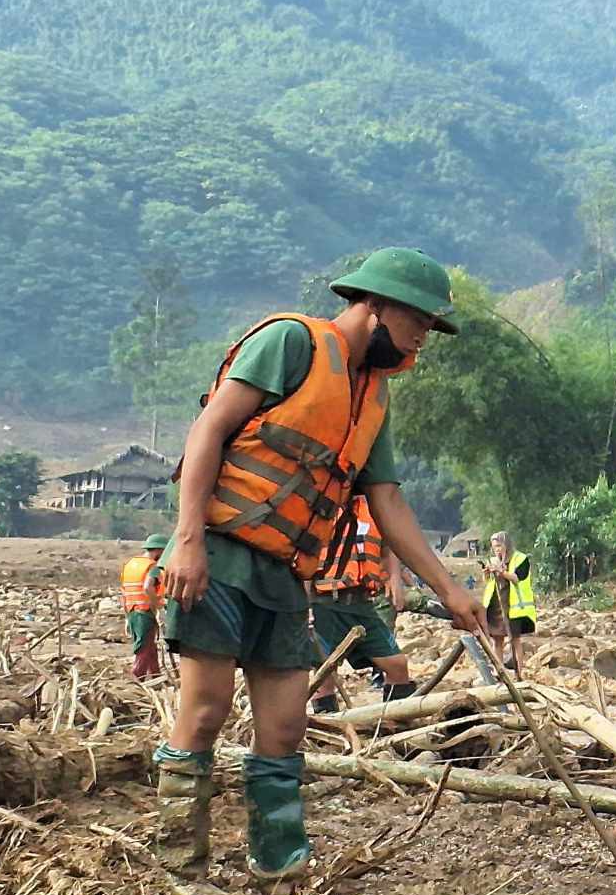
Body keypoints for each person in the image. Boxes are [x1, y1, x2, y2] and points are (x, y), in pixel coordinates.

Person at [153, 248, 485, 884]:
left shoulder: (374, 398)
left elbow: (386, 500)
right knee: (203, 712)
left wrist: (449, 590)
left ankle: (280, 870)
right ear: (375, 306)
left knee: (284, 729)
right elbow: (208, 431)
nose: (421, 337)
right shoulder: (290, 342)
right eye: (417, 321)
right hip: (219, 553)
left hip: (285, 575)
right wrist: (188, 539)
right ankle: (180, 868)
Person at [308, 493, 414, 712]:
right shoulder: (320, 504)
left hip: (362, 603)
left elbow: (387, 548)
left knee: (396, 665)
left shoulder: (373, 506)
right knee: (324, 674)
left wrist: (395, 579)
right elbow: (303, 557)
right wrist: (304, 605)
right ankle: (329, 728)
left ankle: (396, 719)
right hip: (325, 602)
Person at [481, 531, 537, 671]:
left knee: (515, 639)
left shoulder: (520, 559)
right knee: (497, 639)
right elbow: (488, 582)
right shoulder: (493, 560)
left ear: (506, 544)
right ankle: (498, 671)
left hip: (513, 606)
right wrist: (487, 573)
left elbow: (517, 578)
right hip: (496, 605)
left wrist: (501, 572)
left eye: (499, 546)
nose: (497, 549)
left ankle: (519, 671)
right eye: (494, 547)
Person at [121, 534, 170, 680]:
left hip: (132, 611)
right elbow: (148, 587)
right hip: (144, 612)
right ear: (159, 551)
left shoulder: (131, 565)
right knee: (143, 649)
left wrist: (126, 617)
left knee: (149, 646)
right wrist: (158, 605)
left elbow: (124, 592)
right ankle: (137, 679)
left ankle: (156, 677)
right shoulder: (152, 567)